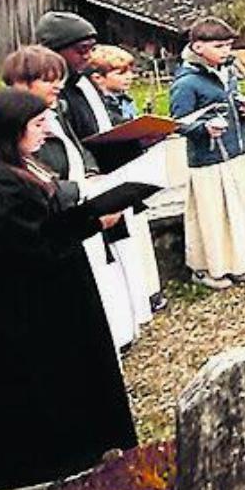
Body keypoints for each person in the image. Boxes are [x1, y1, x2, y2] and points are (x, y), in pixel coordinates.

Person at [0, 88, 139, 490]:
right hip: (21, 309)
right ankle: (56, 458)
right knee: (42, 390)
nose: (46, 131)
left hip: (33, 299)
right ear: (10, 128)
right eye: (37, 123)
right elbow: (30, 244)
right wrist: (92, 220)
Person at [2, 45, 145, 345]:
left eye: (59, 78)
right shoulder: (12, 129)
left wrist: (92, 174)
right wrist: (77, 192)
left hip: (84, 208)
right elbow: (37, 177)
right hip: (63, 219)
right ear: (20, 83)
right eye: (47, 79)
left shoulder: (56, 113)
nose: (57, 85)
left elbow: (77, 149)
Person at [169, 17, 245, 290]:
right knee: (214, 218)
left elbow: (231, 102)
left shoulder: (228, 71)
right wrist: (203, 129)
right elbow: (179, 122)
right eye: (219, 46)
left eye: (228, 45)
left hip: (238, 151)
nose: (226, 51)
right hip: (209, 161)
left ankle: (239, 263)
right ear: (198, 47)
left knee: (240, 210)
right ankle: (209, 268)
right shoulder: (186, 82)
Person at [80, 44, 165, 314]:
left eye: (130, 72)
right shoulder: (95, 106)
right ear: (98, 78)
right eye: (120, 73)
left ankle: (150, 291)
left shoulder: (124, 101)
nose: (129, 78)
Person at [36, 11, 106, 145]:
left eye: (92, 48)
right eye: (82, 49)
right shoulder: (49, 91)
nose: (87, 56)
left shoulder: (85, 79)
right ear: (54, 51)